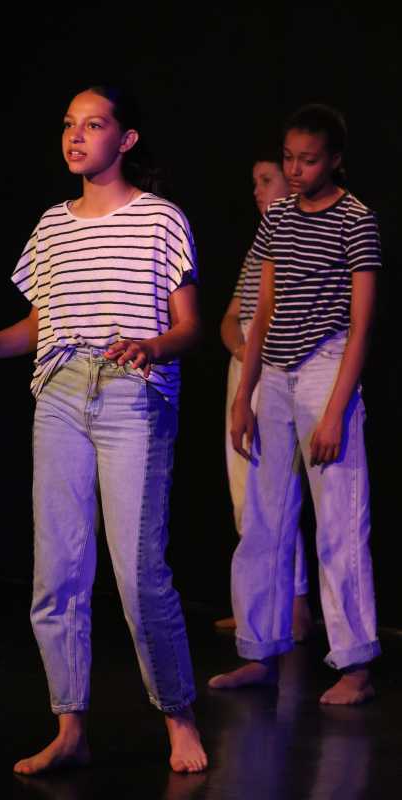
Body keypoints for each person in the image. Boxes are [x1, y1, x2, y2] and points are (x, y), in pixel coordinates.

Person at [0, 85, 208, 773]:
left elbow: (189, 325)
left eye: (93, 124)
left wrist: (151, 346)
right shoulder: (52, 225)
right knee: (59, 572)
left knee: (139, 574)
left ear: (125, 139)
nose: (76, 136)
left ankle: (179, 717)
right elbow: (38, 325)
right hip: (60, 395)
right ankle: (70, 727)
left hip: (132, 393)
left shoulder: (160, 218)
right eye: (70, 125)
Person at [208, 104, 381, 705]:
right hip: (275, 375)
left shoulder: (356, 220)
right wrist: (245, 396)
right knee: (262, 518)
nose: (296, 170)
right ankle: (259, 651)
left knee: (339, 521)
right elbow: (261, 312)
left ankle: (355, 665)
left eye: (308, 160)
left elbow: (361, 326)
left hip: (327, 367)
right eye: (289, 159)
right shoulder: (279, 217)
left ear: (334, 159)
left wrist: (335, 411)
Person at [216, 156, 313, 641]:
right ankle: (257, 606)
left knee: (276, 493)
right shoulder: (260, 244)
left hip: (278, 368)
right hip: (246, 368)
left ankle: (294, 607)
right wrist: (241, 351)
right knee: (244, 495)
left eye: (266, 180)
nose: (257, 190)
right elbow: (232, 315)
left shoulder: (302, 236)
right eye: (254, 181)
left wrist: (258, 357)